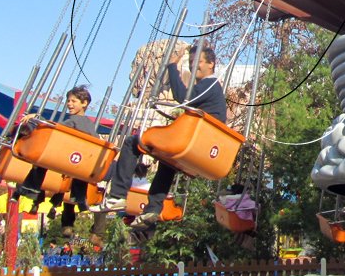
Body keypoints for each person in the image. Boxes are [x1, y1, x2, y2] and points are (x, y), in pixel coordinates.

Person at [93, 42, 226, 230]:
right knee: (167, 160)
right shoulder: (209, 88)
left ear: (211, 64)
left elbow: (182, 97)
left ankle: (117, 194)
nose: (192, 66)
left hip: (199, 142)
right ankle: (153, 209)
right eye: (190, 62)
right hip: (200, 143)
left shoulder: (210, 84)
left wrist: (172, 66)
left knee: (133, 142)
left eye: (198, 62)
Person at [16, 86, 99, 236]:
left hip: (69, 160)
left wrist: (36, 119)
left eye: (73, 101)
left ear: (84, 103)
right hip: (81, 165)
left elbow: (55, 128)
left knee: (41, 161)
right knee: (65, 173)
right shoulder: (90, 125)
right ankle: (77, 198)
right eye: (68, 101)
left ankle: (32, 191)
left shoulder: (74, 121)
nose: (69, 104)